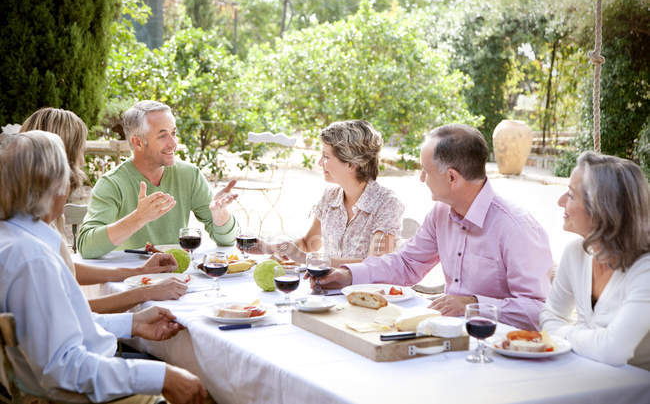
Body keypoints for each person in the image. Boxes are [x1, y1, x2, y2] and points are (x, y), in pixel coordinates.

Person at [0, 131, 206, 404]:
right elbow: (62, 368)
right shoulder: (32, 260)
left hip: (56, 382)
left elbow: (57, 326)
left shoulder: (13, 241)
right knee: (211, 389)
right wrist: (163, 376)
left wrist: (134, 323)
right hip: (71, 397)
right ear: (56, 185)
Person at [318, 124, 553, 330]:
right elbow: (406, 264)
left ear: (452, 177)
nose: (421, 178)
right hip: (450, 334)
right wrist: (347, 275)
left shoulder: (515, 227)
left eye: (426, 171)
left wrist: (473, 303)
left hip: (502, 348)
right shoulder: (441, 213)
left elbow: (538, 311)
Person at [20, 107, 188, 313]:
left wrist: (138, 271)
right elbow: (69, 314)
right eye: (79, 151)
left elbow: (65, 268)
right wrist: (145, 295)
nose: (82, 161)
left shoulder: (35, 214)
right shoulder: (31, 231)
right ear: (58, 158)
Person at [78, 100, 238, 259]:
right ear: (138, 142)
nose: (173, 143)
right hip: (130, 279)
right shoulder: (112, 183)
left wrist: (220, 215)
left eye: (174, 133)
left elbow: (227, 241)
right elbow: (86, 247)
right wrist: (138, 218)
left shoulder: (189, 175)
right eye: (163, 136)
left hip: (177, 275)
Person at [540, 152, 650, 369]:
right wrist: (589, 338)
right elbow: (549, 316)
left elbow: (614, 351)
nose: (560, 201)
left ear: (600, 208)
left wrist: (564, 335)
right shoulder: (575, 253)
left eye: (571, 195)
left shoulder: (644, 269)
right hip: (586, 380)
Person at [246, 120, 404, 265]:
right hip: (329, 291)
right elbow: (309, 244)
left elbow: (375, 266)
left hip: (367, 294)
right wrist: (271, 248)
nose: (320, 163)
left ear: (351, 164)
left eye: (326, 157)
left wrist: (305, 259)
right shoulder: (330, 197)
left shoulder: (387, 203)